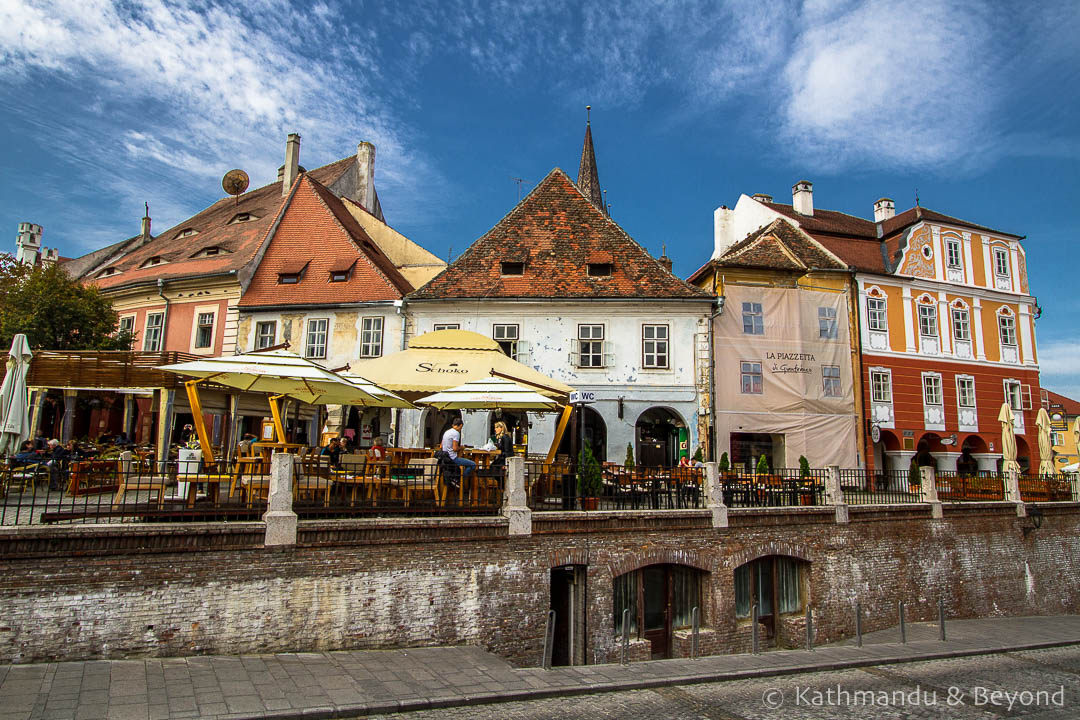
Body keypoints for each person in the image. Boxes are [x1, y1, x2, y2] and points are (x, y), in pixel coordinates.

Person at [440, 418, 475, 485]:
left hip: (445, 459)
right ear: (461, 425)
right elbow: (455, 448)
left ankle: (455, 479)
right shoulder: (456, 433)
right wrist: (461, 447)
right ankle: (459, 480)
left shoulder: (446, 432)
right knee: (473, 465)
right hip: (452, 458)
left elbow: (441, 446)